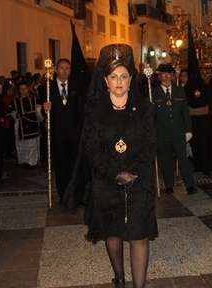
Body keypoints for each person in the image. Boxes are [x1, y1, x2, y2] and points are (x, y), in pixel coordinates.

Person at [77, 44, 157, 288]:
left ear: (131, 80)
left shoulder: (145, 108)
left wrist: (133, 173)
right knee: (113, 233)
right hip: (107, 182)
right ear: (105, 80)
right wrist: (115, 173)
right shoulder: (95, 111)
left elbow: (150, 145)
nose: (119, 81)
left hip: (138, 182)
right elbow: (92, 148)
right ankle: (119, 277)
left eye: (123, 76)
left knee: (139, 235)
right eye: (114, 77)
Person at [40, 59, 82, 200]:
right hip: (57, 134)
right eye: (62, 68)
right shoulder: (47, 87)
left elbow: (80, 110)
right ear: (56, 70)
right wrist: (45, 109)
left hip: (74, 134)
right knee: (61, 165)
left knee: (74, 164)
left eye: (67, 68)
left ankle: (75, 193)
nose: (64, 71)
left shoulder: (76, 87)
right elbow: (43, 112)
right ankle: (63, 194)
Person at [152, 63, 197, 195]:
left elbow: (185, 112)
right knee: (165, 160)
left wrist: (188, 130)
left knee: (183, 160)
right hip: (162, 133)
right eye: (163, 74)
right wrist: (151, 132)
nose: (166, 77)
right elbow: (151, 116)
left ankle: (190, 185)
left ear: (172, 76)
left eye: (169, 74)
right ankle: (169, 185)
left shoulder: (179, 91)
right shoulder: (153, 93)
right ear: (159, 77)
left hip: (178, 132)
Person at [14, 80, 42, 168]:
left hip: (33, 125)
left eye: (25, 88)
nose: (23, 91)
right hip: (21, 126)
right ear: (19, 90)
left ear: (28, 89)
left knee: (33, 144)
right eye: (21, 89)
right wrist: (16, 115)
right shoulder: (15, 100)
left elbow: (39, 111)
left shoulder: (34, 99)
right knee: (23, 145)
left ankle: (33, 162)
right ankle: (24, 161)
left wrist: (38, 113)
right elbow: (11, 112)